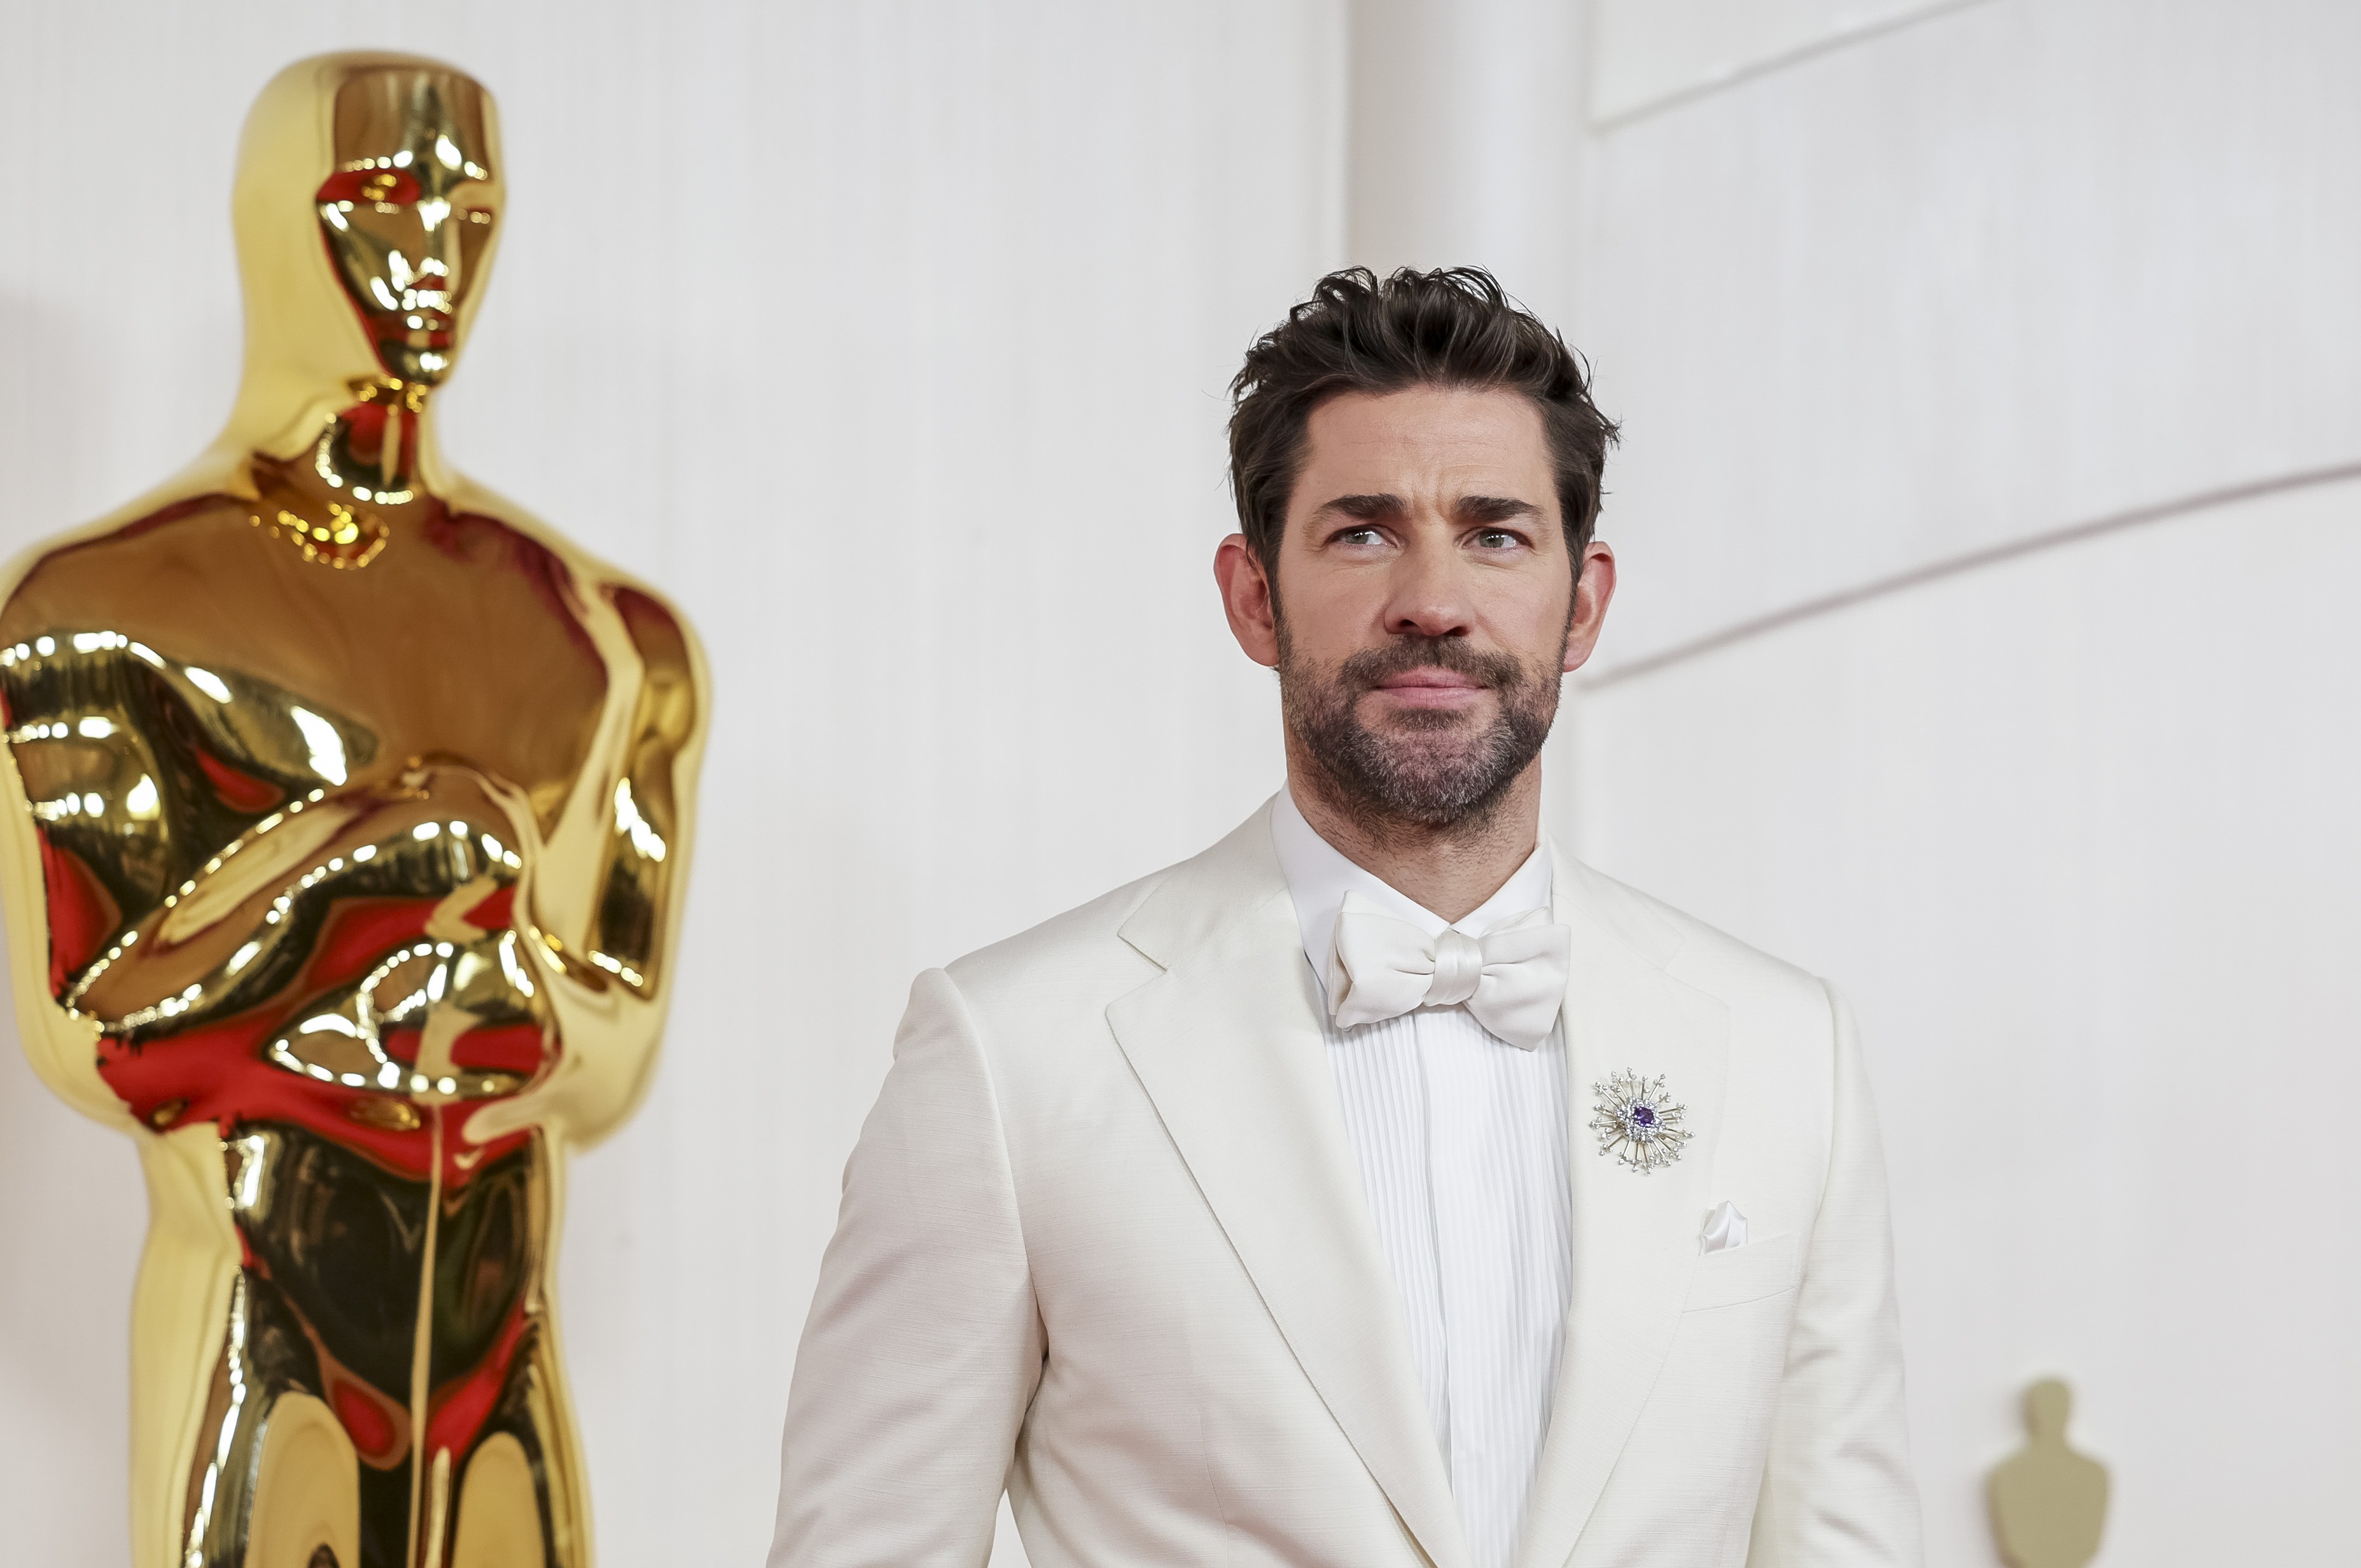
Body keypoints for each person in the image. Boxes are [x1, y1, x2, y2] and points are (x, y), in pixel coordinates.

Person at [769, 267, 1919, 1567]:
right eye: (1361, 531)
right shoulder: (1008, 1052)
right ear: (1253, 597)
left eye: (1493, 534)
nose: (1430, 598)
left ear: (1580, 602)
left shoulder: (1783, 1053)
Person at [0, 55, 706, 1568]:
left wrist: (524, 998)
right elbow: (97, 1039)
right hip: (264, 1324)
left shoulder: (605, 637)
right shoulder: (102, 613)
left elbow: (616, 1056)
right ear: (274, 222)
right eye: (379, 206)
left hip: (500, 1346)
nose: (430, 262)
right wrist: (363, 863)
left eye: (470, 214)